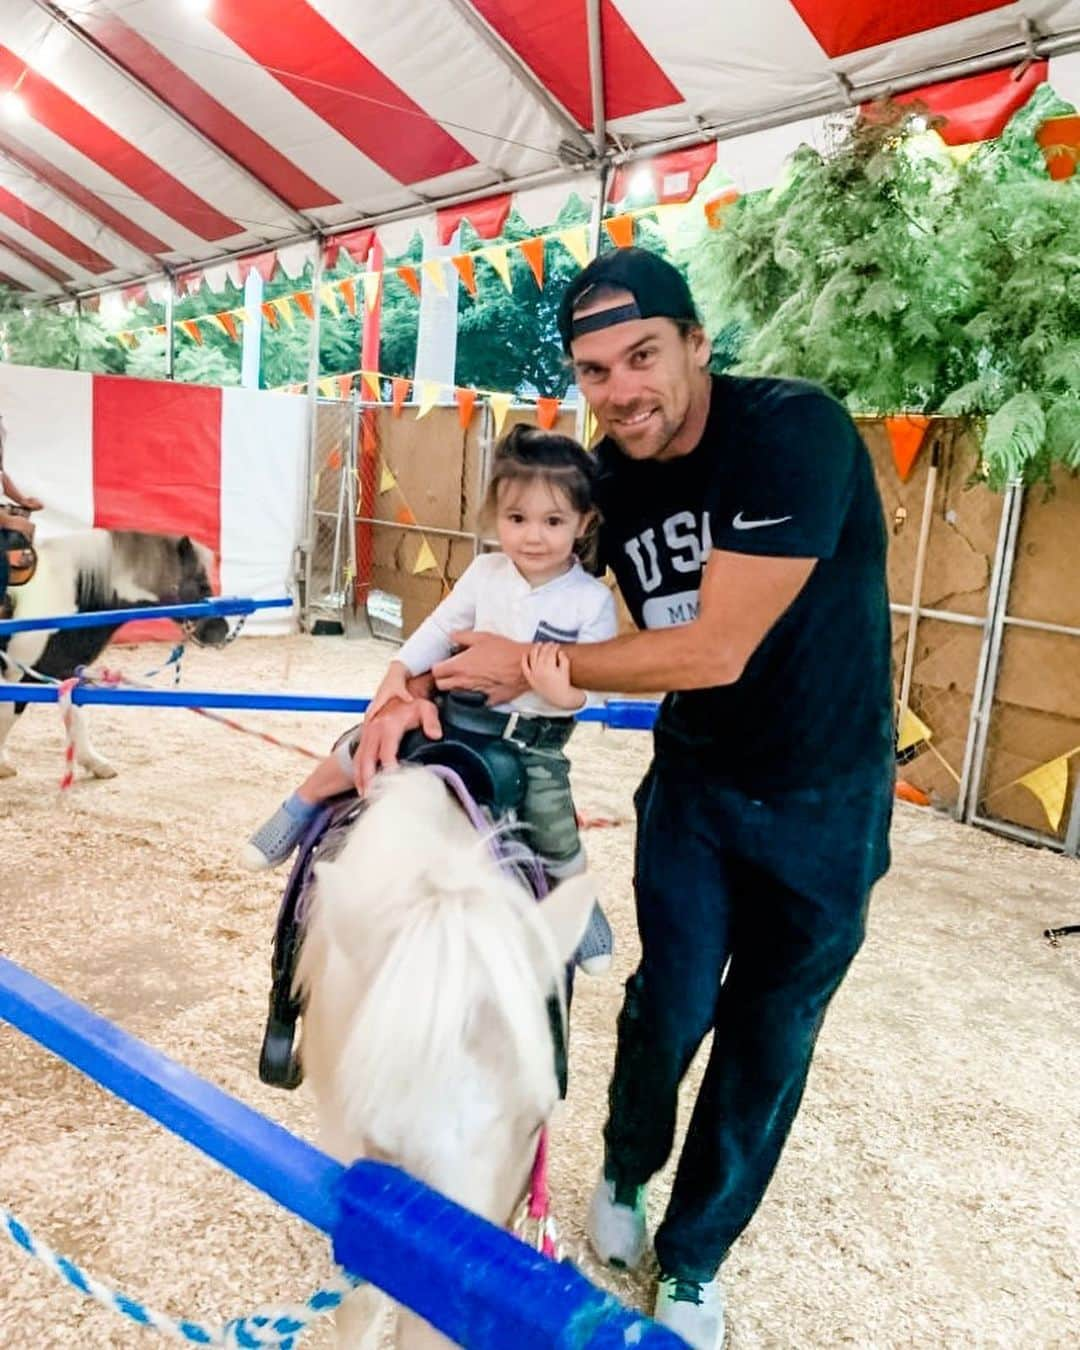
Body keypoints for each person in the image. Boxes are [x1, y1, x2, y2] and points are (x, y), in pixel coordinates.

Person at [349, 248, 895, 1348]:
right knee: (672, 1000)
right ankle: (626, 1161)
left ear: (696, 344)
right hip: (695, 780)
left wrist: (532, 669)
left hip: (827, 790)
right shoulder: (610, 477)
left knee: (770, 1033)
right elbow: (501, 583)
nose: (621, 389)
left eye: (642, 355)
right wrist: (400, 687)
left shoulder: (793, 432)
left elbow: (720, 647)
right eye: (595, 371)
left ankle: (694, 1259)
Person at [242, 424, 619, 974]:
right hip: (457, 715)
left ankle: (578, 899)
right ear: (496, 518)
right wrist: (400, 669)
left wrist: (562, 692)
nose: (532, 536)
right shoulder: (487, 571)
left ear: (584, 523)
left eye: (553, 521)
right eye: (517, 520)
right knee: (361, 751)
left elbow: (595, 683)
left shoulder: (589, 601)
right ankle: (297, 811)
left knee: (553, 823)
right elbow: (443, 626)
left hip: (531, 745)